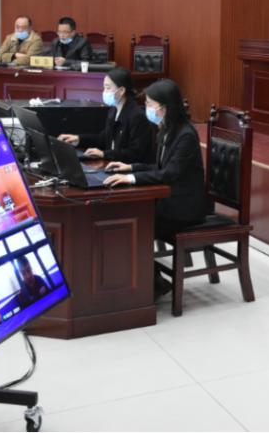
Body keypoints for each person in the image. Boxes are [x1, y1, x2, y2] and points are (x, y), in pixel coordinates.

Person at [104, 79, 209, 298]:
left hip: (185, 206)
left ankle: (152, 283)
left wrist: (131, 178)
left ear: (165, 107)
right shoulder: (166, 129)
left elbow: (168, 174)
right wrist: (130, 167)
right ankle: (143, 280)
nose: (147, 109)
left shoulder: (186, 136)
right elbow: (159, 167)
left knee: (134, 224)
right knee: (127, 219)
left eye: (150, 104)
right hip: (170, 199)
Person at [58, 67, 153, 163]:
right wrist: (78, 139)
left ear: (121, 91)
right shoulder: (113, 110)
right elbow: (104, 139)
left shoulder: (137, 116)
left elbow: (135, 153)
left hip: (128, 167)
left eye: (108, 88)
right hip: (112, 162)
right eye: (104, 88)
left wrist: (104, 154)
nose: (104, 92)